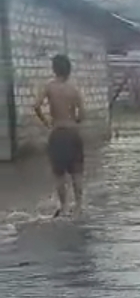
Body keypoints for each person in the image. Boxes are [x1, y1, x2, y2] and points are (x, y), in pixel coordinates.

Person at [34, 54, 86, 216]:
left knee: (59, 174)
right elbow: (83, 114)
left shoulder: (49, 86)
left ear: (54, 69)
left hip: (57, 133)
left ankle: (64, 207)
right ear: (69, 69)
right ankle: (78, 206)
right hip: (73, 133)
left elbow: (36, 106)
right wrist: (75, 120)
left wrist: (47, 122)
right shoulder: (74, 88)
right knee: (77, 172)